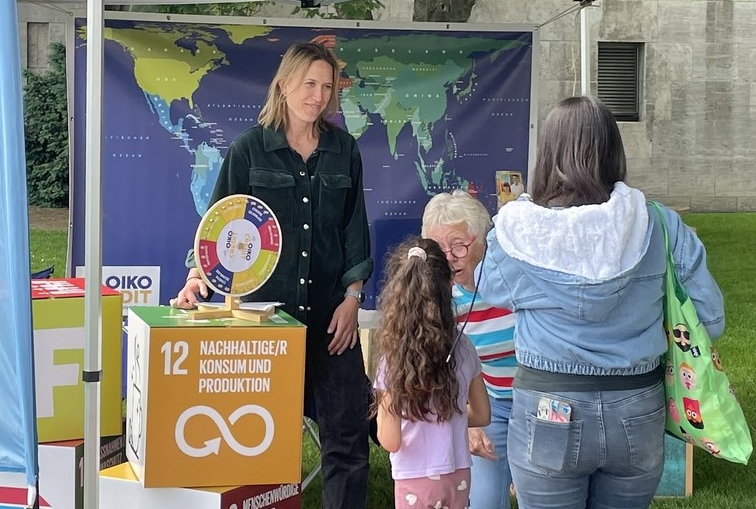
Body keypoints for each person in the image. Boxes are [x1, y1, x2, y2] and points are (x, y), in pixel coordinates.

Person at [477, 95, 725, 509]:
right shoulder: (661, 225)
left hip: (546, 406)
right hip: (637, 406)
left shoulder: (516, 232)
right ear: (613, 152)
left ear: (549, 154)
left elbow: (491, 290)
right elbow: (710, 320)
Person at [172, 41, 374, 509]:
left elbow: (353, 228)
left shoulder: (345, 150)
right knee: (256, 441)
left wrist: (353, 297)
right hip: (264, 322)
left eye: (326, 86)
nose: (318, 95)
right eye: (309, 83)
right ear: (284, 85)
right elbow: (219, 223)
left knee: (347, 442)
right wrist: (195, 276)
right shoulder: (248, 149)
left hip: (331, 320)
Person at [372, 238, 491, 509]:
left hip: (414, 479)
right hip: (459, 474)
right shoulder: (464, 347)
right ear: (449, 284)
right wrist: (448, 419)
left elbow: (390, 441)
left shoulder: (393, 359)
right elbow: (482, 414)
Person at [422, 190, 517, 509]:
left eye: (459, 244)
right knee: (484, 503)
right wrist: (465, 422)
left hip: (539, 399)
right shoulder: (441, 298)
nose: (449, 257)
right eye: (439, 249)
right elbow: (437, 370)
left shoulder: (517, 278)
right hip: (491, 404)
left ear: (484, 240)